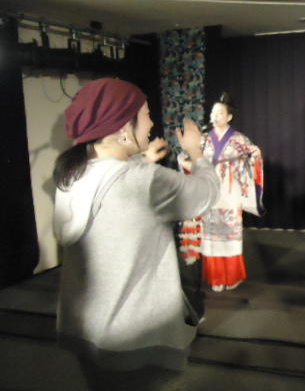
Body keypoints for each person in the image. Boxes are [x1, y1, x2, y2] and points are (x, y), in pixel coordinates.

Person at [53, 78, 220, 389]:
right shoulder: (146, 181)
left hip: (84, 327)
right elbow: (205, 193)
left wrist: (141, 160)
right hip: (134, 335)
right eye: (146, 115)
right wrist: (197, 153)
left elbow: (116, 180)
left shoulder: (71, 175)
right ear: (122, 129)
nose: (152, 123)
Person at [178, 92, 264, 292]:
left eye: (219, 113)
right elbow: (187, 156)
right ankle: (216, 277)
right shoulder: (203, 139)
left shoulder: (239, 139)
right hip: (209, 192)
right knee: (211, 236)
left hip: (230, 192)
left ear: (229, 117)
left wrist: (254, 156)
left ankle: (232, 276)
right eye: (213, 113)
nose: (214, 116)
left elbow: (253, 158)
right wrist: (186, 161)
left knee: (229, 235)